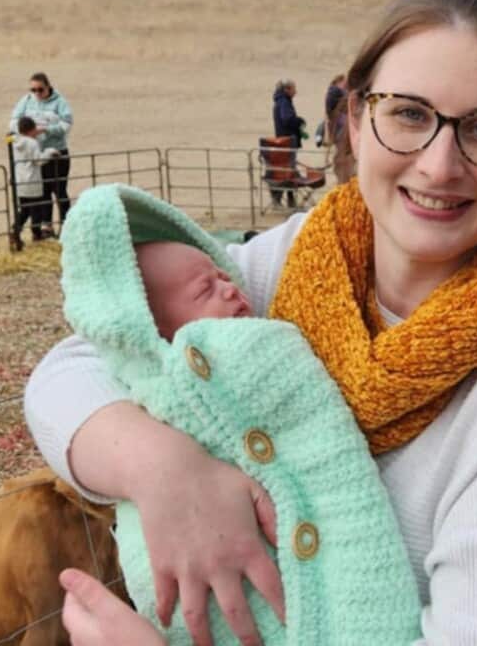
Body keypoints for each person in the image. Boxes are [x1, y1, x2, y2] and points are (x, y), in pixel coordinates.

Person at [25, 0, 477, 646]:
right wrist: (162, 470)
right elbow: (77, 364)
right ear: (358, 120)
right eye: (410, 114)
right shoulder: (299, 260)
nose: (439, 165)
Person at [51, 183, 420, 644]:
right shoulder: (308, 251)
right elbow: (66, 369)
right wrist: (161, 466)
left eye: (222, 276)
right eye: (208, 287)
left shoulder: (260, 329)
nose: (230, 286)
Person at [8, 71, 73, 235]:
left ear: (48, 87)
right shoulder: (26, 100)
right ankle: (46, 226)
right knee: (42, 191)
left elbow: (67, 124)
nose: (36, 93)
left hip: (57, 153)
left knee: (59, 191)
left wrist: (46, 130)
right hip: (36, 152)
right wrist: (26, 133)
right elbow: (14, 121)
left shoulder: (60, 102)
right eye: (33, 90)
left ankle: (67, 227)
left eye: (40, 89)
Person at [9, 116, 60, 248]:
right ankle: (37, 234)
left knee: (24, 209)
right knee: (36, 209)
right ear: (32, 129)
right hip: (32, 180)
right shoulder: (31, 143)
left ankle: (15, 231)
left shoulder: (14, 142)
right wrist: (50, 152)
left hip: (20, 180)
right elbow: (38, 160)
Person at [270, 78, 306, 207]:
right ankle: (280, 199)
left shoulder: (282, 101)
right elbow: (287, 119)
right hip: (287, 142)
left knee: (288, 171)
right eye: (294, 89)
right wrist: (299, 121)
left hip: (284, 141)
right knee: (287, 172)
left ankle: (288, 199)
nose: (295, 92)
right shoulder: (284, 102)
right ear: (287, 89)